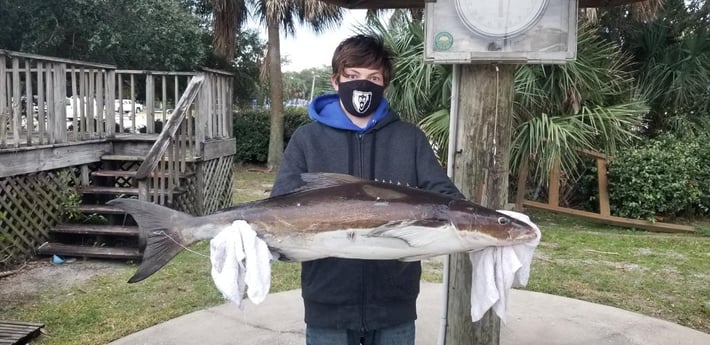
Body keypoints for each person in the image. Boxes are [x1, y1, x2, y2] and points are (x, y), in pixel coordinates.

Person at [270, 34, 463, 345]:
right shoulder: (307, 139)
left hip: (394, 303)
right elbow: (280, 203)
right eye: (353, 76)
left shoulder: (409, 139)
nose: (363, 85)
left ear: (384, 86)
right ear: (336, 81)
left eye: (374, 78)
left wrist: (485, 219)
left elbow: (444, 195)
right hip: (326, 301)